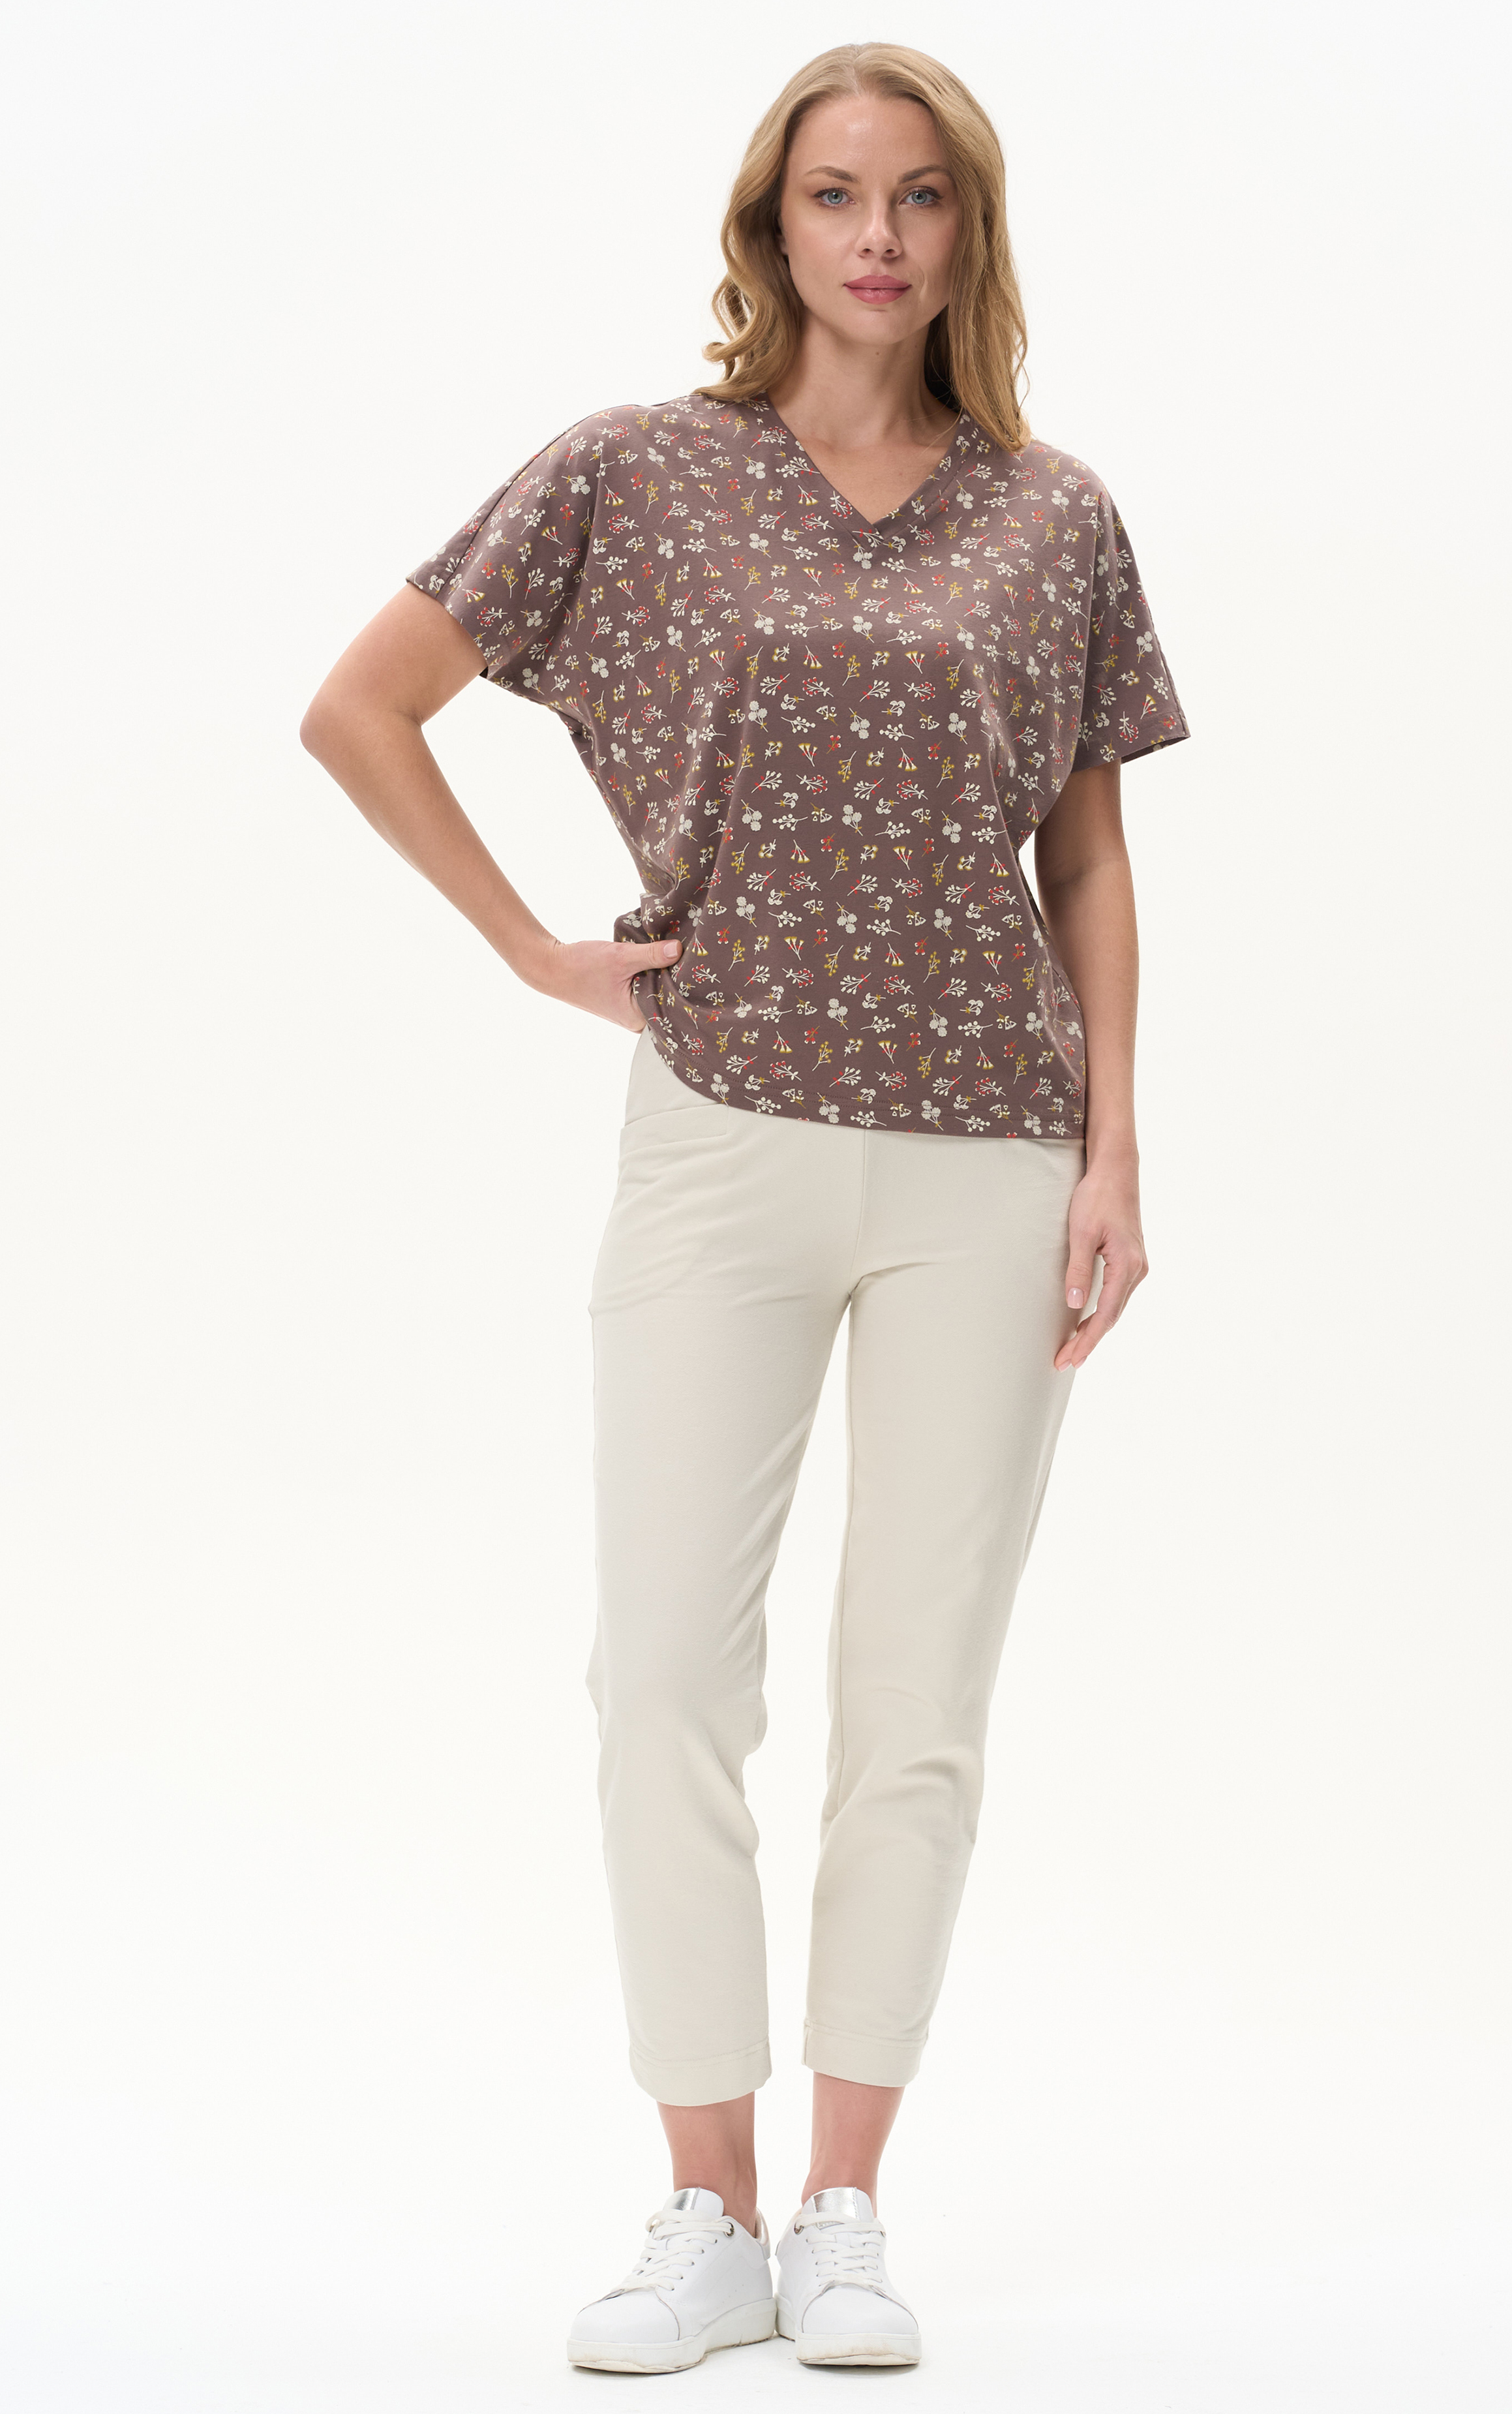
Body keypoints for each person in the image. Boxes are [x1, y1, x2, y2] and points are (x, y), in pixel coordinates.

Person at [301, 39, 1188, 2376]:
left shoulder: (1055, 515)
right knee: (667, 1682)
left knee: (919, 1692)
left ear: (969, 232)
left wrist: (1113, 1146)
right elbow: (364, 704)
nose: (876, 237)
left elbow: (1087, 853)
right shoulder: (635, 473)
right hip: (719, 1135)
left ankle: (846, 2203)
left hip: (989, 1150)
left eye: (919, 196)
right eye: (832, 195)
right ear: (767, 226)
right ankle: (702, 2206)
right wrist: (534, 949)